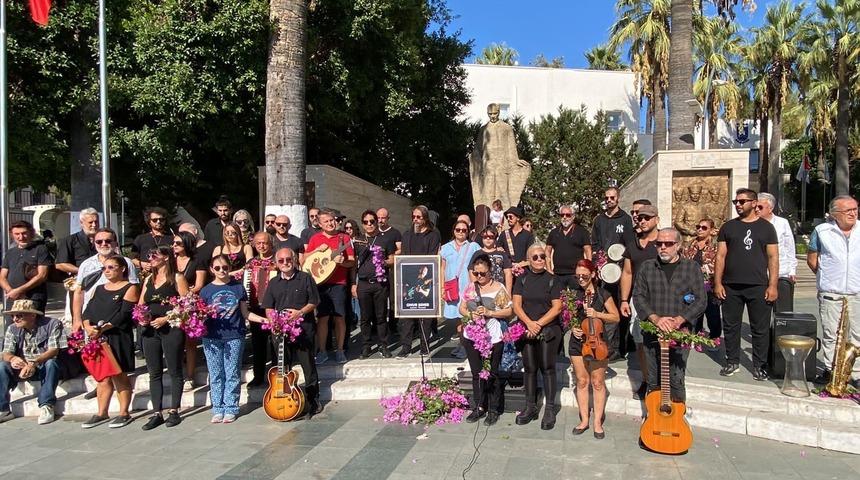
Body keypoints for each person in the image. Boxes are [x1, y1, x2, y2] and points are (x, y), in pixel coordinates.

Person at [633, 228, 707, 405]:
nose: (663, 247)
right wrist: (656, 319)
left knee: (676, 379)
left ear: (678, 245)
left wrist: (679, 320)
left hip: (679, 334)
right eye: (659, 244)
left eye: (668, 244)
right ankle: (653, 420)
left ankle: (676, 420)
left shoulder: (691, 268)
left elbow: (701, 300)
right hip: (653, 333)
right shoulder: (647, 267)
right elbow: (638, 296)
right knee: (653, 380)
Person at [714, 188, 779, 380]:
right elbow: (720, 255)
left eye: (742, 201)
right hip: (731, 286)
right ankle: (732, 361)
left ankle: (759, 365)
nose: (738, 205)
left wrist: (772, 285)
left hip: (758, 285)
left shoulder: (766, 227)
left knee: (759, 328)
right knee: (731, 326)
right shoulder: (728, 227)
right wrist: (717, 283)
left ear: (753, 203)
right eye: (736, 202)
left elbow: (773, 257)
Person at [201, 255, 264, 423]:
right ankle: (217, 407)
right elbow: (200, 315)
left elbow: (245, 313)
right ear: (212, 270)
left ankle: (231, 407)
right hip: (211, 336)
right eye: (217, 268)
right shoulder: (206, 290)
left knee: (232, 372)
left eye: (225, 267)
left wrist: (265, 320)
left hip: (234, 335)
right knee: (215, 374)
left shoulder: (238, 288)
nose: (222, 271)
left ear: (229, 268)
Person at [261, 247, 323, 416]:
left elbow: (314, 301)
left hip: (303, 330)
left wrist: (299, 313)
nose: (285, 263)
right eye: (281, 261)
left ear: (294, 260)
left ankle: (313, 400)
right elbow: (268, 306)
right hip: (281, 333)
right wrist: (274, 322)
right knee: (282, 368)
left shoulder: (305, 278)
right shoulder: (274, 282)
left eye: (288, 259)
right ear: (276, 263)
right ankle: (288, 398)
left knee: (308, 366)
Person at [80, 254, 139, 429]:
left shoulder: (130, 287)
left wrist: (104, 328)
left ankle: (124, 413)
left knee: (119, 375)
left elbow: (125, 313)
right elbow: (87, 312)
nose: (107, 271)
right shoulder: (98, 289)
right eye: (105, 268)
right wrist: (88, 327)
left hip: (117, 336)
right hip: (97, 338)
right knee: (102, 378)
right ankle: (101, 412)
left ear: (122, 269)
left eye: (112, 267)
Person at [807, 195, 860, 387]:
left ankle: (855, 373)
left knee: (857, 334)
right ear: (835, 214)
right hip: (832, 292)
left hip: (857, 291)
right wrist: (827, 277)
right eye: (848, 211)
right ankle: (831, 369)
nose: (853, 213)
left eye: (855, 209)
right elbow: (813, 259)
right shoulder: (822, 231)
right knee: (831, 333)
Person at [138, 246, 190, 430]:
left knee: (174, 369)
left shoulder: (177, 278)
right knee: (154, 372)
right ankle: (156, 412)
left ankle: (174, 410)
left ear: (166, 258)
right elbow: (141, 304)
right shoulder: (148, 280)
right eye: (149, 255)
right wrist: (142, 317)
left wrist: (166, 318)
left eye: (154, 255)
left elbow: (186, 305)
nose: (150, 258)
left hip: (171, 328)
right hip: (151, 330)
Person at [512, 243, 563, 430]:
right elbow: (516, 305)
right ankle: (530, 406)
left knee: (547, 367)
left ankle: (549, 409)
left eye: (543, 256)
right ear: (529, 260)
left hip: (548, 329)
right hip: (527, 329)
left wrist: (538, 324)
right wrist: (529, 324)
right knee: (530, 367)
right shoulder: (522, 280)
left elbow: (557, 307)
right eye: (535, 257)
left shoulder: (553, 280)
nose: (540, 259)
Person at [458, 254, 512, 426]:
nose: (479, 277)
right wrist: (470, 315)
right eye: (476, 273)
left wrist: (490, 313)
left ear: (490, 272)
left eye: (482, 273)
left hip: (493, 336)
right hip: (472, 335)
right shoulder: (470, 288)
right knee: (477, 373)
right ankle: (479, 406)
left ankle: (494, 408)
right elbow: (462, 307)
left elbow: (508, 312)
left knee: (492, 374)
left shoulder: (498, 288)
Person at [569, 259, 620, 439]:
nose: (581, 279)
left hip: (597, 342)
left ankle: (597, 422)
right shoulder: (574, 294)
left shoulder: (602, 294)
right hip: (577, 342)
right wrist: (573, 327)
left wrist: (597, 314)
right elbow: (568, 318)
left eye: (584, 275)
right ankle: (584, 419)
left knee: (597, 382)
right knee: (582, 381)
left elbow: (616, 317)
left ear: (592, 274)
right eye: (578, 276)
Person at [0, 300, 64, 425]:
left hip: (44, 364)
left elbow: (53, 350)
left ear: (33, 315)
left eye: (19, 315)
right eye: (12, 316)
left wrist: (33, 363)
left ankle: (46, 405)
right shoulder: (12, 329)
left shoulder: (52, 324)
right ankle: (3, 409)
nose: (15, 319)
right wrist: (13, 359)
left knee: (51, 363)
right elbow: (6, 353)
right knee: (2, 366)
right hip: (24, 367)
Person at [619, 204, 659, 398]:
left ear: (656, 220)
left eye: (647, 217)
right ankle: (647, 380)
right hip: (638, 301)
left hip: (661, 301)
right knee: (640, 342)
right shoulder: (633, 244)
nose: (642, 221)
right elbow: (627, 273)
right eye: (640, 218)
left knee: (661, 343)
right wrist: (624, 300)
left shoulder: (664, 242)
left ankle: (663, 381)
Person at [307, 209, 355, 364]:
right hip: (320, 283)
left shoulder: (344, 237)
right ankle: (322, 351)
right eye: (326, 221)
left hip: (339, 284)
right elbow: (304, 260)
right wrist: (315, 250)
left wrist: (343, 262)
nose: (330, 223)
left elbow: (352, 261)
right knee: (322, 318)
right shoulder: (315, 238)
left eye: (332, 220)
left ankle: (340, 350)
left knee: (340, 317)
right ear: (320, 224)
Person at [398, 206, 442, 357]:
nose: (415, 220)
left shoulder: (433, 235)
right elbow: (404, 255)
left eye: (418, 217)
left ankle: (424, 345)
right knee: (407, 315)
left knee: (426, 315)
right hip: (409, 277)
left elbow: (432, 256)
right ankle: (406, 347)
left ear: (425, 219)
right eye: (414, 217)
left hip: (426, 276)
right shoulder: (407, 235)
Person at [353, 211, 394, 358]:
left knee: (381, 316)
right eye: (366, 222)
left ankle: (383, 345)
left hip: (380, 283)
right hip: (363, 283)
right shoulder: (357, 240)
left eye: (372, 221)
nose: (369, 224)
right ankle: (366, 346)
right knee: (365, 317)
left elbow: (393, 259)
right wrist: (353, 284)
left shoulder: (385, 239)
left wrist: (383, 262)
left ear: (377, 222)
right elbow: (353, 264)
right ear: (362, 224)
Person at [441, 220, 481, 356]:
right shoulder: (445, 247)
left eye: (464, 230)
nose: (461, 232)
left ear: (468, 232)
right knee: (458, 318)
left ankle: (467, 347)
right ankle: (462, 344)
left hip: (467, 287)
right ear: (454, 231)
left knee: (468, 318)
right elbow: (442, 268)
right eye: (458, 229)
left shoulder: (474, 247)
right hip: (452, 288)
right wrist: (442, 288)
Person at [173, 231, 207, 391]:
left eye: (178, 243)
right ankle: (176, 372)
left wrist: (186, 293)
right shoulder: (170, 262)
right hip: (171, 304)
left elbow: (199, 284)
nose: (174, 246)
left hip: (190, 303)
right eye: (174, 243)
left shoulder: (196, 261)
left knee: (190, 343)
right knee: (175, 342)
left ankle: (190, 375)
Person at [244, 232, 278, 388]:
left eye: (264, 243)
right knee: (258, 343)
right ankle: (258, 375)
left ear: (271, 243)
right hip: (256, 306)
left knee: (276, 342)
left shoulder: (278, 260)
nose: (262, 246)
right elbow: (246, 281)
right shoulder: (251, 263)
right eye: (258, 243)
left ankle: (277, 375)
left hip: (275, 307)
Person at [682, 218, 721, 340]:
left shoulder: (716, 246)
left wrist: (705, 270)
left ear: (711, 230)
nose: (700, 229)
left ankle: (714, 338)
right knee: (694, 314)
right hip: (692, 287)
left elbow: (719, 265)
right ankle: (695, 337)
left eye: (704, 228)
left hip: (710, 287)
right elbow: (683, 262)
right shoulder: (689, 245)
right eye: (698, 226)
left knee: (713, 315)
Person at [756, 193, 797, 313]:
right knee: (762, 310)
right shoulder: (753, 223)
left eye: (760, 207)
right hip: (760, 274)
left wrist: (792, 270)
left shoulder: (782, 223)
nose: (757, 210)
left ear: (770, 208)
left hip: (781, 272)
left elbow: (789, 247)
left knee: (782, 310)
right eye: (755, 207)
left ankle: (779, 331)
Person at [0, 221, 52, 313]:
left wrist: (19, 291)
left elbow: (42, 275)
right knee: (11, 326)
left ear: (31, 233)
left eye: (24, 233)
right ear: (12, 235)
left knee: (32, 326)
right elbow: (2, 277)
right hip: (12, 299)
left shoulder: (40, 249)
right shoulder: (10, 252)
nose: (21, 237)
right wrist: (11, 291)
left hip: (33, 298)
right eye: (17, 234)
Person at [545, 205, 592, 288]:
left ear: (573, 216)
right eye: (562, 215)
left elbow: (588, 250)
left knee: (577, 299)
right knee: (557, 299)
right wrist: (548, 269)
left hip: (576, 274)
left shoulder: (582, 232)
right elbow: (547, 251)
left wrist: (588, 269)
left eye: (568, 215)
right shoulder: (554, 232)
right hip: (557, 274)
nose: (565, 217)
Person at [469, 226, 513, 295]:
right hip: (482, 291)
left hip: (499, 291)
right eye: (485, 236)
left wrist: (508, 293)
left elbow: (508, 273)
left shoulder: (501, 254)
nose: (488, 239)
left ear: (495, 238)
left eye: (491, 236)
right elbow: (471, 271)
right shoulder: (477, 254)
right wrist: (476, 289)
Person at [55, 208, 99, 275]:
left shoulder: (105, 240)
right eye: (90, 222)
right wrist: (82, 271)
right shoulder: (70, 240)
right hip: (79, 280)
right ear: (81, 223)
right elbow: (60, 264)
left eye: (96, 222)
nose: (94, 225)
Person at [592, 187, 635, 254]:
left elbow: (629, 242)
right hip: (601, 259)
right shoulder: (598, 219)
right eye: (606, 198)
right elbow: (594, 242)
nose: (609, 200)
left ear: (618, 198)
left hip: (620, 259)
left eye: (612, 197)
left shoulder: (626, 218)